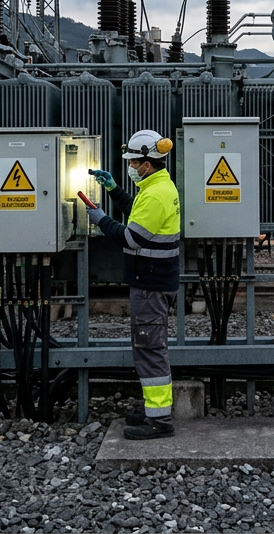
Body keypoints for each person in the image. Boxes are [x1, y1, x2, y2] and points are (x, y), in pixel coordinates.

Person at [86, 129, 181, 440]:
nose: (130, 166)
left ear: (147, 163)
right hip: (154, 281)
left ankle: (160, 420)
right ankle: (156, 411)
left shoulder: (155, 193)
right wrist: (113, 189)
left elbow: (132, 237)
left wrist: (100, 219)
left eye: (133, 162)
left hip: (151, 284)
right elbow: (138, 216)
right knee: (148, 346)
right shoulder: (155, 186)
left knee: (150, 348)